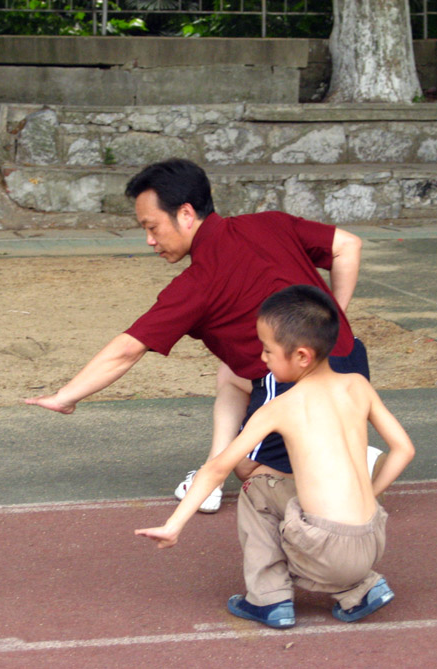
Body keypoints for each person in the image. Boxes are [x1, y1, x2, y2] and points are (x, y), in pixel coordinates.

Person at [26, 158, 380, 512]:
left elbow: (127, 350)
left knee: (249, 469)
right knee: (230, 371)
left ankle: (345, 461)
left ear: (185, 214)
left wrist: (66, 396)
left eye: (152, 227)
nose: (150, 241)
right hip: (350, 365)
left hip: (299, 385)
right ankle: (212, 479)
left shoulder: (198, 283)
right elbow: (348, 245)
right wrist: (329, 320)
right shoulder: (270, 222)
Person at [136, 285, 415, 628]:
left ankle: (269, 599)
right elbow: (404, 450)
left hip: (325, 555)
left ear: (301, 356)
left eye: (267, 350)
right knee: (291, 484)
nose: (262, 358)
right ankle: (362, 587)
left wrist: (173, 525)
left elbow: (217, 468)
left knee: (258, 487)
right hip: (373, 539)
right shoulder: (358, 384)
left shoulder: (279, 407)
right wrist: (370, 496)